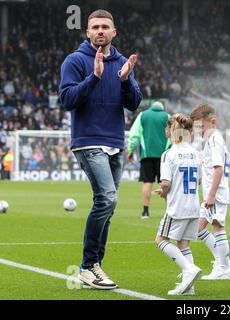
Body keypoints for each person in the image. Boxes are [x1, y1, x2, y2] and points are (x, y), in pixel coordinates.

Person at [59, 9, 142, 289]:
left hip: (115, 144)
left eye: (105, 26)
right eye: (95, 27)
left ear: (114, 32)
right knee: (107, 199)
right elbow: (67, 100)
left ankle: (95, 266)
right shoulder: (75, 61)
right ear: (87, 32)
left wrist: (125, 80)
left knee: (108, 207)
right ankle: (88, 265)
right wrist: (93, 77)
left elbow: (133, 103)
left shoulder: (122, 63)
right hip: (88, 141)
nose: (100, 31)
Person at [154, 113, 202, 296]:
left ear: (171, 131)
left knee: (160, 240)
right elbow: (196, 182)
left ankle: (188, 270)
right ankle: (189, 286)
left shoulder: (169, 154)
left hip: (177, 208)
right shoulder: (195, 153)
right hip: (193, 206)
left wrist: (163, 191)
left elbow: (165, 183)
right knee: (184, 244)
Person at [190, 103, 230, 280]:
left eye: (201, 126)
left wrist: (211, 194)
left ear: (213, 121)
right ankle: (224, 260)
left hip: (216, 194)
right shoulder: (212, 139)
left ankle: (223, 268)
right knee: (199, 228)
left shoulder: (215, 139)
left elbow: (218, 169)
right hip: (213, 193)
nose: (199, 130)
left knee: (217, 227)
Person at [127, 101, 170, 219]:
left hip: (147, 155)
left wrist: (130, 150)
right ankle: (170, 211)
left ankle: (145, 212)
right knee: (166, 183)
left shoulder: (143, 115)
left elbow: (133, 134)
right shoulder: (167, 116)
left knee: (147, 182)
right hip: (164, 157)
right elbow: (173, 135)